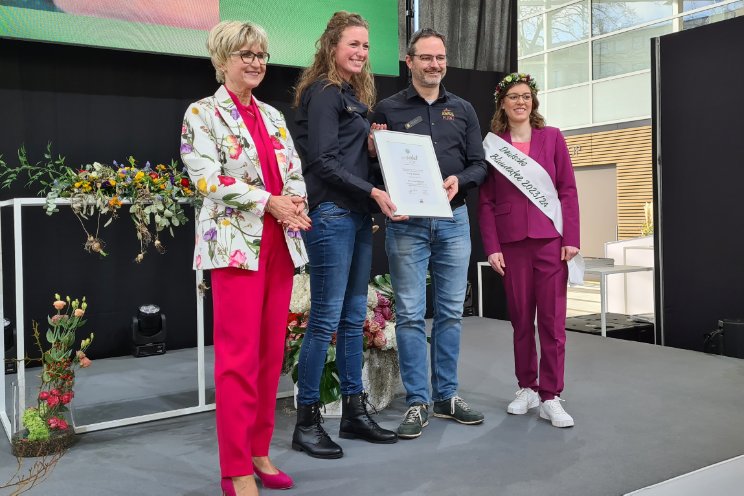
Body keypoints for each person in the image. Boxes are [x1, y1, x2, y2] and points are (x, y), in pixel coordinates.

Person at [180, 20, 311, 496]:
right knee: (237, 359)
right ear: (222, 59)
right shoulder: (201, 113)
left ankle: (259, 451)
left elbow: (293, 171)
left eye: (261, 54)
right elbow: (206, 179)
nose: (256, 62)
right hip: (235, 248)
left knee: (270, 355)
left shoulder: (274, 116)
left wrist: (294, 204)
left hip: (280, 243)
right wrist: (267, 201)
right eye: (246, 54)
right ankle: (235, 467)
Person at [290, 11, 399, 459]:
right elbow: (322, 163)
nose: (361, 52)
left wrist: (372, 149)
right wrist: (374, 189)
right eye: (353, 44)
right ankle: (307, 420)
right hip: (332, 214)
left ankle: (354, 411)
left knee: (353, 319)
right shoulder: (324, 93)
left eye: (366, 46)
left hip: (355, 216)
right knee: (324, 322)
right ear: (332, 46)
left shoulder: (354, 98)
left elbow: (349, 160)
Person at [371, 28, 488, 439]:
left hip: (454, 221)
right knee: (409, 314)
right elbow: (374, 168)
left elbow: (480, 164)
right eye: (426, 58)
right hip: (408, 226)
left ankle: (446, 396)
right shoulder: (386, 109)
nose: (434, 65)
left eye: (440, 58)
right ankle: (418, 401)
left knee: (452, 313)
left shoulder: (465, 110)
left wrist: (460, 179)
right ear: (410, 61)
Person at [478, 72, 580, 428]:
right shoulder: (493, 147)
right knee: (522, 320)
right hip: (512, 244)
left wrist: (571, 238)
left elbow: (567, 189)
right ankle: (527, 387)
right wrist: (492, 246)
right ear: (502, 103)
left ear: (533, 102)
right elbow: (486, 202)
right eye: (513, 97)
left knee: (552, 322)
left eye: (526, 96)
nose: (520, 102)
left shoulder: (552, 138)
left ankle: (551, 394)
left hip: (550, 241)